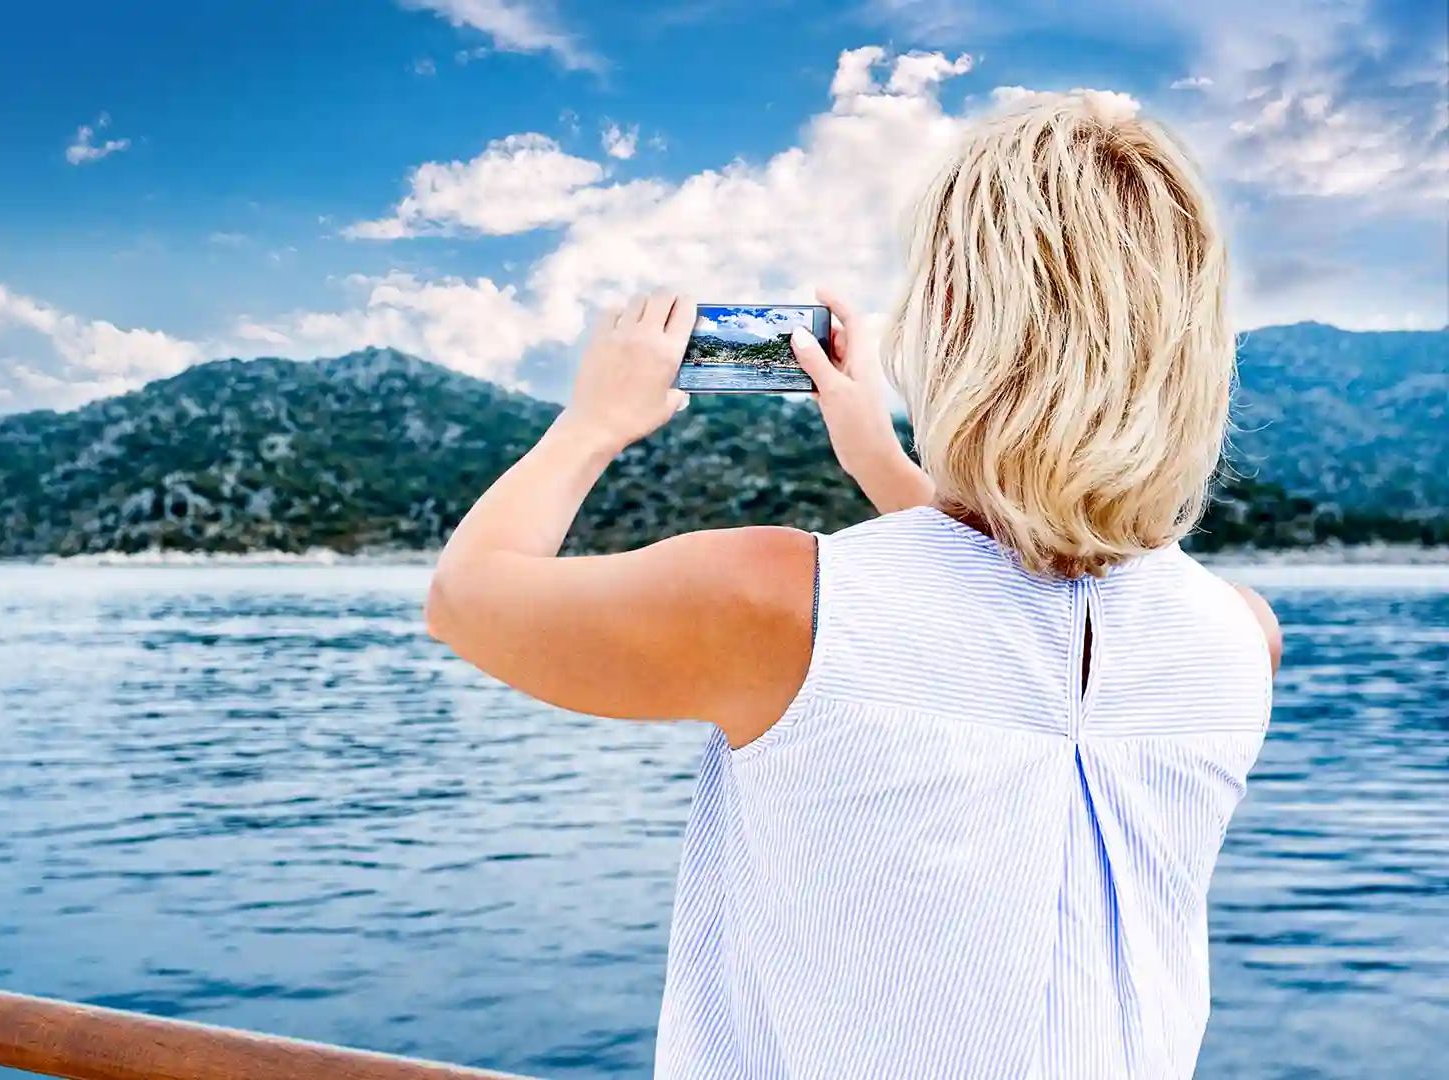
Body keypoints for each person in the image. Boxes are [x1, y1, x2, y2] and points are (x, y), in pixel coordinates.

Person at [424, 92, 1282, 1080]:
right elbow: (1016, 612)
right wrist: (881, 458)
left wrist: (595, 420)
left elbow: (466, 597)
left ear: (955, 318)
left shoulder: (776, 603)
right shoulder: (1238, 643)